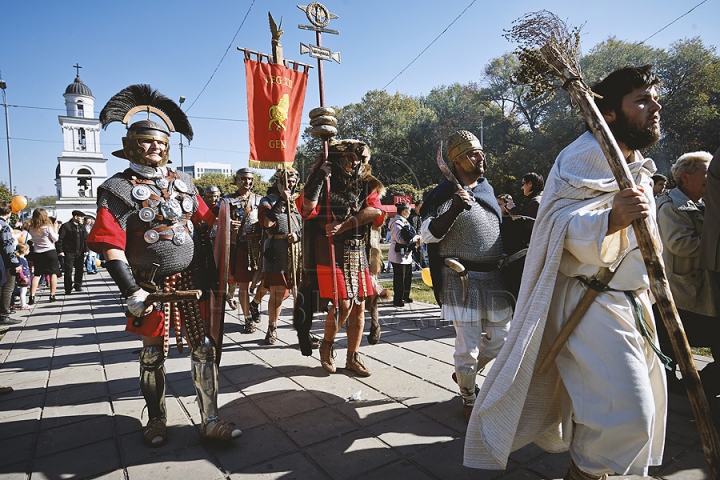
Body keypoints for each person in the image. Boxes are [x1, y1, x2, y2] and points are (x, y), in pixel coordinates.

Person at [465, 65, 666, 479]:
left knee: (634, 410)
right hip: (591, 300)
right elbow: (555, 224)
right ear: (609, 113)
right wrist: (609, 220)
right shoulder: (581, 155)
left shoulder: (637, 163)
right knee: (629, 413)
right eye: (642, 99)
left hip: (634, 303)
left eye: (654, 97)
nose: (655, 106)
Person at [87, 84, 241, 447]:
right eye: (145, 140)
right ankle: (156, 419)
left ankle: (210, 419)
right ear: (129, 145)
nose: (155, 146)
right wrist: (130, 290)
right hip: (150, 285)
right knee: (152, 354)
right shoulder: (117, 188)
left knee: (204, 347)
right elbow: (110, 245)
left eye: (160, 142)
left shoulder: (184, 182)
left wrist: (229, 225)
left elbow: (207, 222)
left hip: (191, 280)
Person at [420, 130, 513, 422]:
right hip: (460, 279)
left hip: (494, 277)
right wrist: (454, 209)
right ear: (457, 161)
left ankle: (464, 375)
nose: (481, 157)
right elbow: (426, 235)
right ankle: (468, 396)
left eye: (481, 152)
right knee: (468, 346)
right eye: (473, 154)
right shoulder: (444, 195)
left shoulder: (486, 189)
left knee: (502, 338)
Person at [299, 139, 385, 377]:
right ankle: (327, 346)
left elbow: (375, 211)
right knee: (343, 304)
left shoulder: (367, 183)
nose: (356, 162)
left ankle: (352, 357)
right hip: (329, 250)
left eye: (359, 158)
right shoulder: (322, 180)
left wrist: (345, 224)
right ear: (336, 159)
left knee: (358, 307)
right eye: (350, 157)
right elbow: (307, 209)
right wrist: (318, 177)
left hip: (357, 250)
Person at [656, 152, 719, 395]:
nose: (711, 177)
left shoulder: (705, 204)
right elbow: (680, 244)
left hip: (703, 290)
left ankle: (698, 385)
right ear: (685, 178)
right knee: (671, 348)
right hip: (685, 293)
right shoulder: (672, 206)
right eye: (706, 172)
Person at [257, 168, 302, 345]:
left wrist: (297, 236)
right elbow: (267, 223)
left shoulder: (296, 202)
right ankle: (272, 328)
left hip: (294, 252)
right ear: (278, 182)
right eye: (287, 181)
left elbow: (302, 225)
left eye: (292, 181)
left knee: (299, 294)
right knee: (276, 293)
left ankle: (302, 331)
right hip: (275, 250)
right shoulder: (267, 200)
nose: (290, 184)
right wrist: (282, 200)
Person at [222, 168, 268, 332]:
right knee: (243, 285)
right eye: (243, 179)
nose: (247, 182)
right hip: (239, 246)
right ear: (237, 180)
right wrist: (227, 224)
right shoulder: (227, 200)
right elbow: (217, 222)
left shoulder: (260, 200)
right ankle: (248, 318)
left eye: (249, 179)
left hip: (258, 246)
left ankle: (254, 303)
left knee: (265, 281)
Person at [389, 202, 420, 307]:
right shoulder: (396, 222)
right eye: (408, 211)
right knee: (399, 279)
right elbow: (400, 239)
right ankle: (397, 300)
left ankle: (405, 296)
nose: (409, 213)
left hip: (407, 255)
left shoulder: (404, 221)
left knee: (407, 278)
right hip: (398, 255)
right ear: (403, 211)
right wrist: (415, 238)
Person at [26, 208, 60, 304]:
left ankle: (32, 296)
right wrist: (55, 229)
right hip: (49, 251)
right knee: (53, 273)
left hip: (37, 252)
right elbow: (55, 238)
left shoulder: (31, 228)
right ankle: (52, 295)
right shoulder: (47, 227)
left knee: (37, 274)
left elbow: (32, 240)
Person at [0, 203, 22, 326]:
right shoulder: (4, 226)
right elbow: (7, 246)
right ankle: (4, 315)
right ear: (9, 213)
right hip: (6, 261)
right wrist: (15, 263)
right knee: (8, 287)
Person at [57, 210, 88, 294]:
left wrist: (86, 250)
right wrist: (60, 250)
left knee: (80, 269)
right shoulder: (66, 226)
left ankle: (78, 285)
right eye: (80, 217)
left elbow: (86, 239)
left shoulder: (82, 227)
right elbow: (60, 239)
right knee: (68, 270)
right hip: (69, 252)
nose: (81, 219)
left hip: (80, 252)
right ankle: (68, 288)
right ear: (75, 217)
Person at [14, 243, 31, 309]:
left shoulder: (21, 259)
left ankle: (23, 303)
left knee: (23, 291)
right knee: (23, 291)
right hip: (23, 278)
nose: (29, 251)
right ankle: (23, 304)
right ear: (24, 251)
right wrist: (23, 277)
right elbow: (20, 270)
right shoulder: (21, 260)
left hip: (25, 277)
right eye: (28, 250)